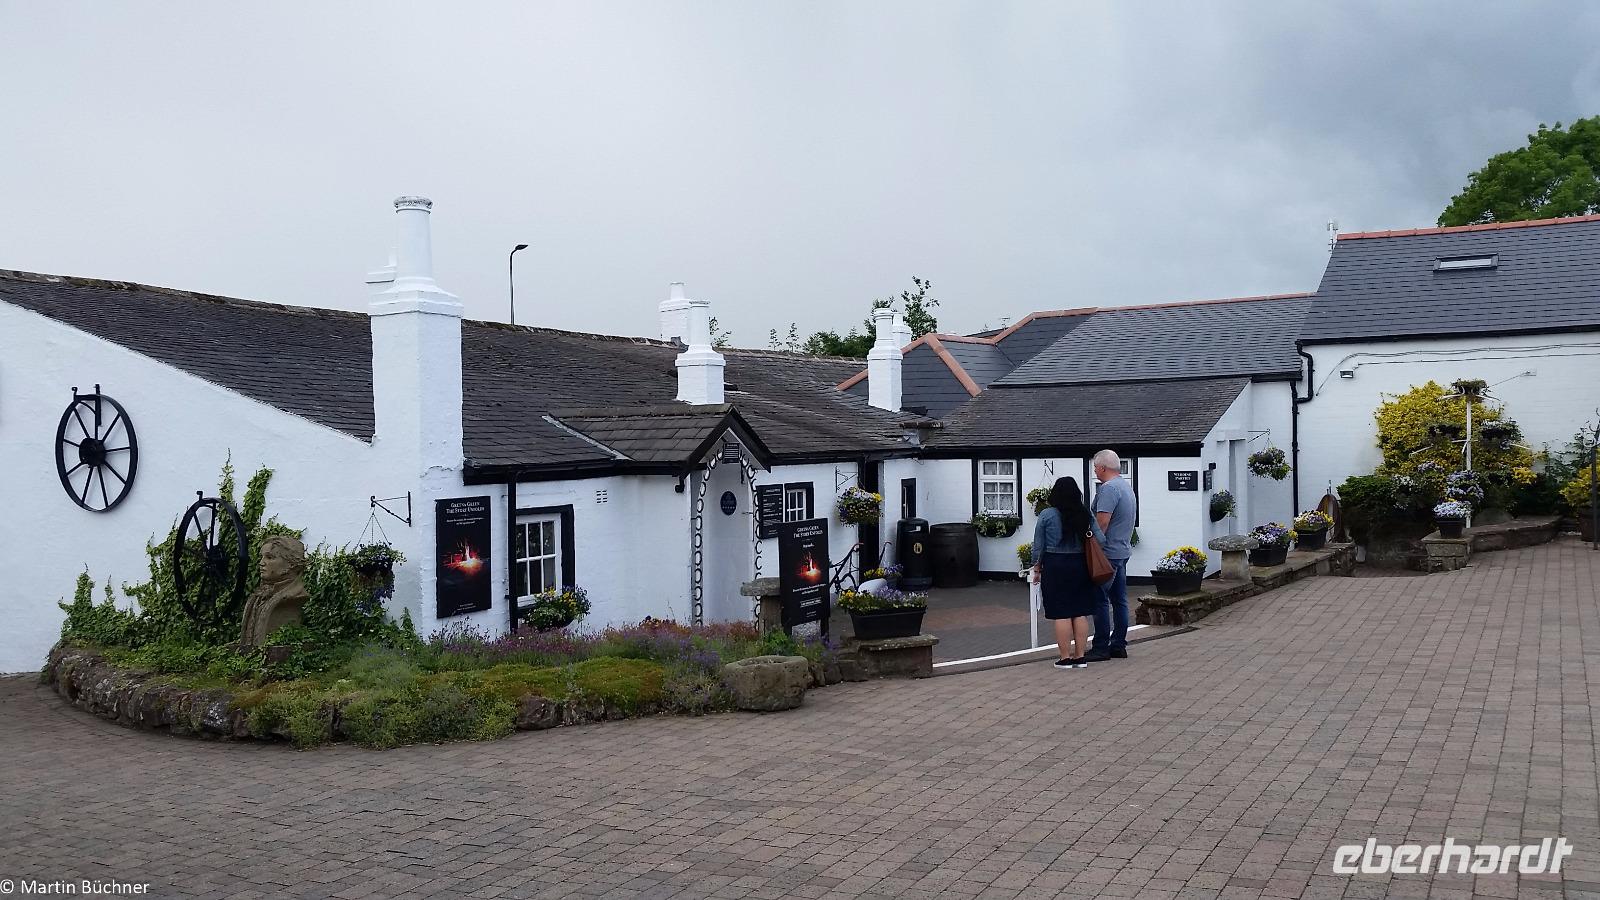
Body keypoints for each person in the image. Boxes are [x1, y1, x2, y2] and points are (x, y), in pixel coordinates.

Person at [1030, 476, 1107, 669]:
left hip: (1055, 566)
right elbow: (1101, 540)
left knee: (1061, 613)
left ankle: (1064, 658)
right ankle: (1080, 657)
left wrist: (1036, 568)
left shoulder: (1047, 515)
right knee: (1080, 612)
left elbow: (1038, 547)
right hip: (1080, 565)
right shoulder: (1085, 514)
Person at [1084, 449, 1137, 661]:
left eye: (1095, 467)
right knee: (1119, 600)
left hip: (1107, 554)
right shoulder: (1125, 486)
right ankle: (1118, 644)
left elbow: (1102, 522)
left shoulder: (1108, 489)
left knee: (1099, 599)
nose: (1095, 471)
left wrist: (1091, 547)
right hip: (1122, 550)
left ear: (1103, 468)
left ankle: (1101, 647)